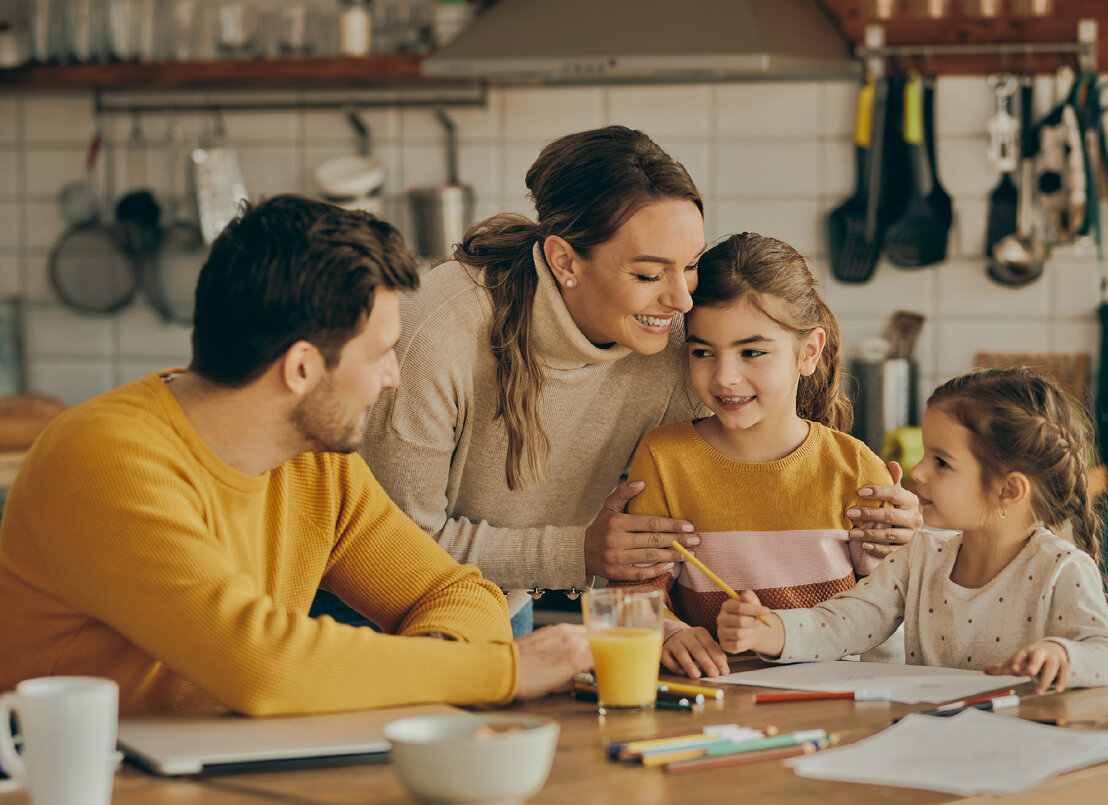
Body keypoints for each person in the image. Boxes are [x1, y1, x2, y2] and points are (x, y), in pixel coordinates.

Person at [0, 195, 591, 717]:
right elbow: (263, 666)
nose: (392, 378)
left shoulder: (314, 458)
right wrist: (505, 670)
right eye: (381, 353)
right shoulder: (107, 460)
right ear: (302, 369)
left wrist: (432, 663)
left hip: (239, 769)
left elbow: (458, 594)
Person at [359, 126, 923, 636]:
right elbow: (393, 544)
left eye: (690, 265)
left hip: (492, 604)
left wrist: (892, 527)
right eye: (650, 274)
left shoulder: (684, 344)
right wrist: (577, 550)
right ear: (564, 261)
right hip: (362, 608)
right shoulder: (439, 333)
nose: (681, 300)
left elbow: (767, 485)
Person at [717, 367, 1108, 694]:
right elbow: (846, 621)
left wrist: (1062, 655)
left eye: (942, 462)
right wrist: (768, 631)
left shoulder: (1060, 568)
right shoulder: (920, 557)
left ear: (1009, 490)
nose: (918, 471)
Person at [610, 233, 902, 679]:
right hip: (709, 701)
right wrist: (669, 633)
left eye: (752, 352)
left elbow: (890, 607)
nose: (725, 377)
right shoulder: (664, 457)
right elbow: (634, 591)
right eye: (703, 352)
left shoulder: (856, 468)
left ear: (808, 352)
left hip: (835, 702)